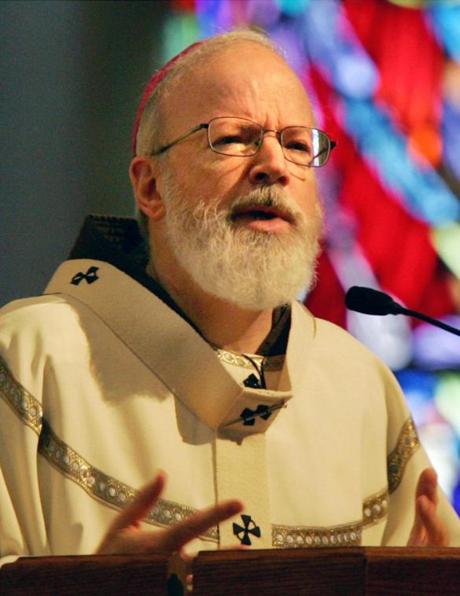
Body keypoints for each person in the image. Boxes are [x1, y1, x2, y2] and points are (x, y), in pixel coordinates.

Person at [1, 30, 459, 569]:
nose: (274, 165)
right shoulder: (29, 359)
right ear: (150, 188)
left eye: (295, 144)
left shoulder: (359, 385)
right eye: (234, 138)